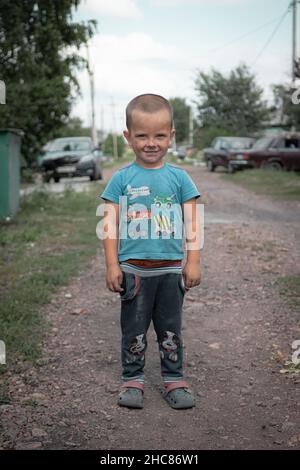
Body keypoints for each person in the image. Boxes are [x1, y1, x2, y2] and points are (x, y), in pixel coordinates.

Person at [100, 93, 201, 409]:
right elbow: (108, 225)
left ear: (171, 136)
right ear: (128, 137)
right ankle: (132, 380)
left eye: (160, 135)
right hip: (133, 270)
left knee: (170, 328)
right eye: (142, 135)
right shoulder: (121, 180)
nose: (151, 143)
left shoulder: (180, 178)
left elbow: (193, 221)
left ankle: (174, 379)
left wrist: (193, 261)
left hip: (170, 270)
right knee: (134, 328)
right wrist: (111, 266)